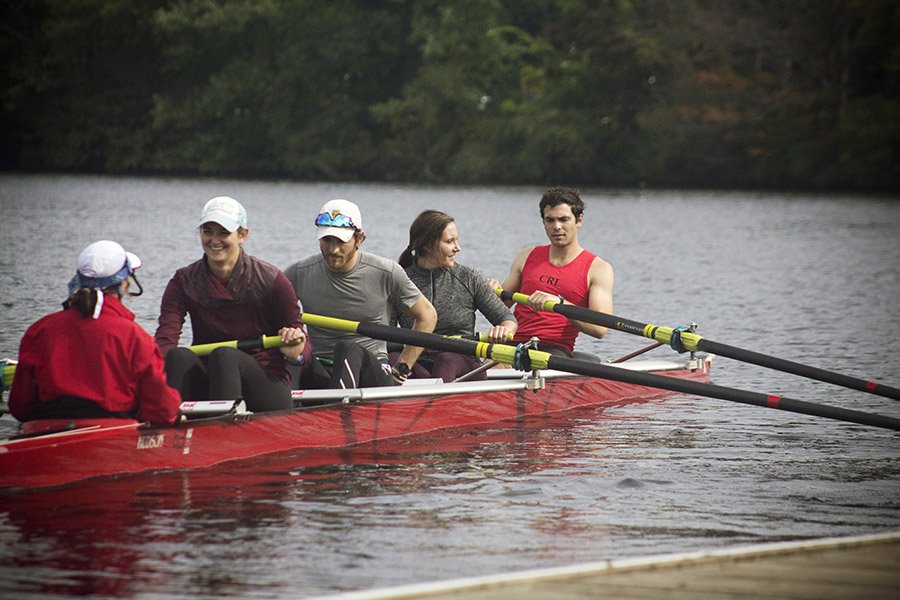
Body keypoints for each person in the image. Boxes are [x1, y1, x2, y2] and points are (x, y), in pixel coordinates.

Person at [155, 196, 309, 412]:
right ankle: (167, 420)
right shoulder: (183, 281)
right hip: (211, 379)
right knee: (178, 356)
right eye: (208, 232)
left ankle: (218, 430)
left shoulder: (272, 280)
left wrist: (296, 349)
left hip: (266, 384)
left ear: (242, 235)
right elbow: (165, 339)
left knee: (224, 355)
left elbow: (303, 344)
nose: (214, 240)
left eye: (223, 233)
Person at [9, 240, 181, 426]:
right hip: (112, 434)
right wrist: (175, 414)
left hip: (43, 430)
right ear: (124, 284)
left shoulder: (39, 329)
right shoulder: (134, 336)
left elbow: (20, 407)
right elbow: (161, 409)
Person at [284, 199, 437, 389]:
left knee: (348, 348)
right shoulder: (300, 272)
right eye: (327, 240)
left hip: (372, 372)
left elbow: (427, 315)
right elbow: (267, 311)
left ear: (360, 238)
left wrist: (403, 367)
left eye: (341, 241)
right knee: (292, 357)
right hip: (320, 367)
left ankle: (336, 409)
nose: (333, 250)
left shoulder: (386, 272)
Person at [393, 209, 517, 382]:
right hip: (418, 364)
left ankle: (433, 402)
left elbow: (507, 319)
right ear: (427, 245)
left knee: (446, 359)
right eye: (450, 241)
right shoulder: (401, 280)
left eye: (456, 240)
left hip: (462, 364)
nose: (457, 248)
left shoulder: (469, 278)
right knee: (392, 358)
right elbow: (386, 333)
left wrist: (504, 329)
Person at [494, 187, 614, 358]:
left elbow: (599, 328)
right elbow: (499, 307)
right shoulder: (527, 255)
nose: (557, 227)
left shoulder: (599, 269)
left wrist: (560, 304)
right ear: (543, 222)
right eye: (550, 220)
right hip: (513, 342)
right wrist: (489, 290)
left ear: (579, 220)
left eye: (563, 219)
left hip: (554, 349)